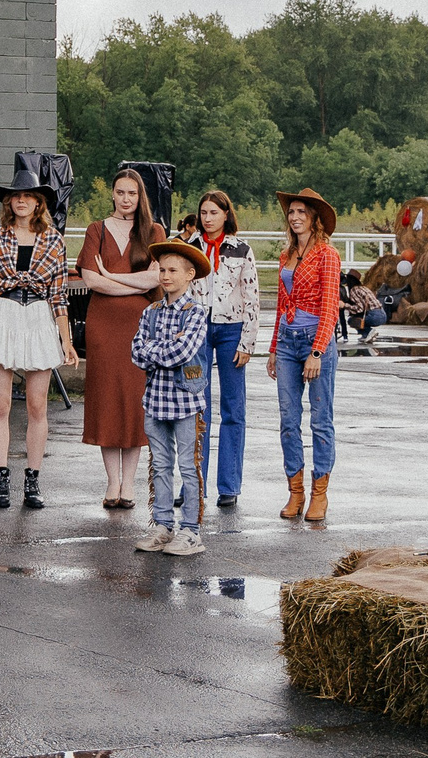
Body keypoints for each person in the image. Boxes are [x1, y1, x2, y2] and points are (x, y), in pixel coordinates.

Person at [0, 169, 75, 512]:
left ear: (39, 202)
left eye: (28, 195)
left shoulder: (54, 240)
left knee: (37, 405)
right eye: (16, 195)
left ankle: (32, 479)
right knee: (0, 403)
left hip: (40, 317)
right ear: (9, 201)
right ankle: (1, 479)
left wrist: (67, 341)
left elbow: (60, 296)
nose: (22, 200)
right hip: (3, 313)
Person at [78, 168, 164, 511]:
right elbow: (90, 279)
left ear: (140, 196)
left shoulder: (153, 230)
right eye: (120, 192)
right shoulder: (96, 230)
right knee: (106, 400)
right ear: (112, 194)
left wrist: (112, 273)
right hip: (103, 325)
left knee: (133, 401)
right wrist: (128, 281)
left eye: (132, 193)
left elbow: (155, 278)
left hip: (140, 326)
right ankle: (112, 481)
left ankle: (129, 483)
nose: (126, 199)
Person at [131, 239, 212, 557]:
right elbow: (137, 352)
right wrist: (163, 347)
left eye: (172, 270)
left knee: (188, 467)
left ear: (190, 274)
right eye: (161, 269)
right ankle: (162, 526)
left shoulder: (195, 314)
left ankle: (190, 531)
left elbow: (184, 352)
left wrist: (157, 348)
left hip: (186, 402)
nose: (165, 275)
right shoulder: (150, 312)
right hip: (155, 400)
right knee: (160, 465)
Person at [266, 188, 342, 524]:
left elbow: (329, 308)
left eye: (301, 212)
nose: (295, 217)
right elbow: (283, 306)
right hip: (286, 340)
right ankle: (295, 491)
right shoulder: (286, 255)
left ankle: (319, 494)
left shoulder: (327, 255)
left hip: (315, 341)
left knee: (320, 419)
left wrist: (317, 351)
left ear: (314, 217)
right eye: (291, 212)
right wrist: (271, 349)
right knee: (287, 420)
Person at [189, 190, 257, 509]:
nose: (208, 217)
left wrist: (247, 342)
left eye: (214, 212)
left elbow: (252, 297)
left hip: (232, 329)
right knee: (196, 406)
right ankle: (194, 484)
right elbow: (181, 292)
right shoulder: (190, 248)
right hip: (198, 329)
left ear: (226, 215)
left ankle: (229, 484)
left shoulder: (241, 250)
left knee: (233, 407)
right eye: (204, 212)